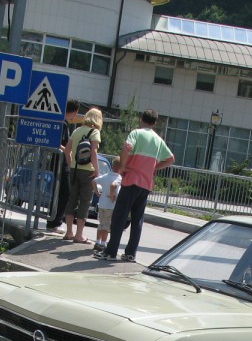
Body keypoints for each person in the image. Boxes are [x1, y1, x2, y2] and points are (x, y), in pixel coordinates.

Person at [96, 109, 174, 262]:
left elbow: (127, 147)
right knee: (137, 219)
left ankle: (111, 251)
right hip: (146, 183)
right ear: (155, 123)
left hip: (131, 180)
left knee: (119, 216)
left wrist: (123, 166)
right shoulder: (158, 140)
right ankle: (131, 253)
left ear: (141, 119)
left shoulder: (136, 133)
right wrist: (154, 167)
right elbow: (171, 158)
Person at [63, 107, 102, 244]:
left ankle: (69, 232)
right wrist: (97, 172)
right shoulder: (94, 132)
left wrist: (71, 164)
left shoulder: (76, 130)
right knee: (85, 201)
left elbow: (67, 150)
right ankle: (79, 235)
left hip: (74, 169)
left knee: (72, 199)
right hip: (88, 171)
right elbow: (94, 152)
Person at [45, 98, 80, 233]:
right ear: (74, 112)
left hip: (58, 160)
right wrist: (68, 152)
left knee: (59, 192)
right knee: (64, 192)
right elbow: (57, 143)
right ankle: (55, 222)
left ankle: (53, 220)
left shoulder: (61, 122)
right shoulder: (63, 124)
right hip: (61, 161)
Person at [92, 156, 121, 253]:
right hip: (110, 205)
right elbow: (113, 185)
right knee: (107, 226)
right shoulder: (118, 178)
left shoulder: (105, 176)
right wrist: (113, 195)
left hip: (102, 204)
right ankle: (103, 244)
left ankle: (97, 241)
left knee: (101, 224)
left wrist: (96, 192)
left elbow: (94, 181)